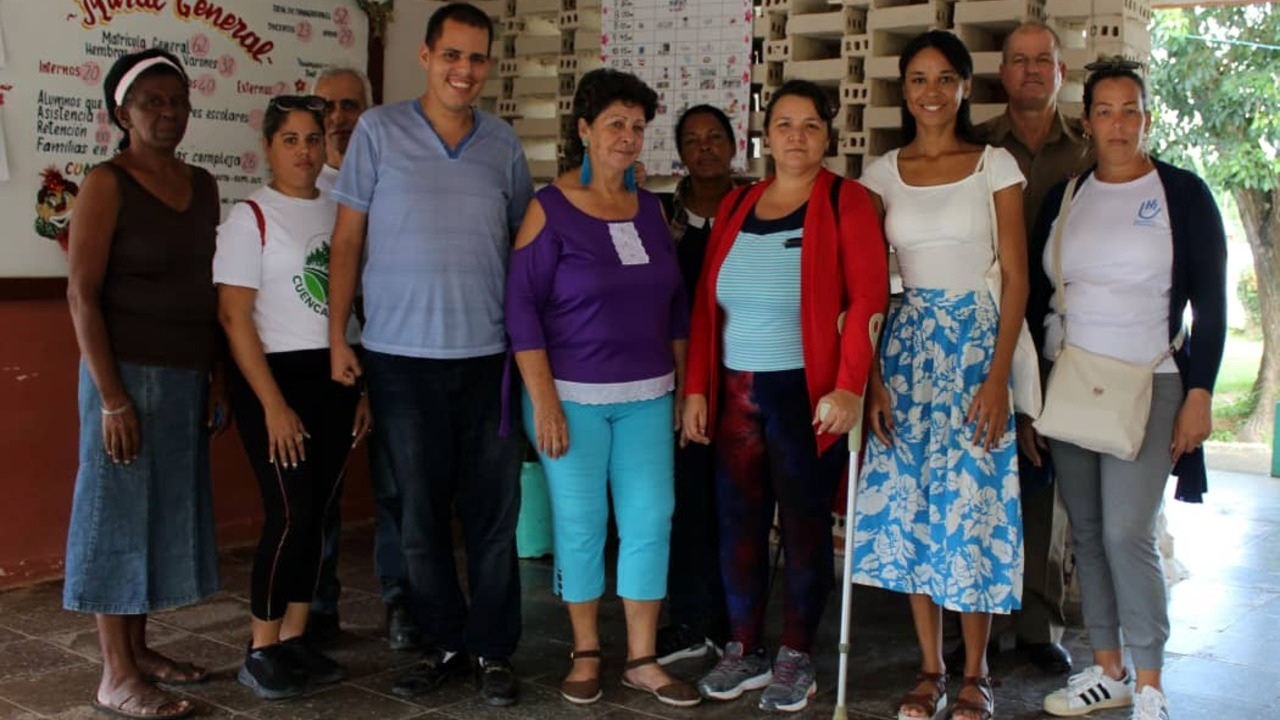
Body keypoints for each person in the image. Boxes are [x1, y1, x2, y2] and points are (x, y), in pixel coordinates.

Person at [326, 2, 532, 707]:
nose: (464, 71)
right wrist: (337, 337)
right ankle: (441, 642)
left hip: (489, 360)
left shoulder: (503, 144)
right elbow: (347, 240)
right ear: (426, 55)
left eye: (476, 58)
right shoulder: (379, 132)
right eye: (452, 55)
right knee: (418, 516)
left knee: (493, 518)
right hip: (399, 361)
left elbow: (523, 249)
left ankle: (493, 650)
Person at [683, 79, 888, 713]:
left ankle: (797, 656)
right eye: (784, 125)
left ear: (828, 136)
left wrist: (849, 387)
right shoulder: (738, 205)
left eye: (810, 125)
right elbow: (705, 304)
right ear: (765, 137)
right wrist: (696, 389)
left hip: (806, 393)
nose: (796, 137)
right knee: (737, 524)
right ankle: (744, 647)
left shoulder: (846, 201)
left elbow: (869, 299)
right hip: (737, 392)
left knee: (803, 528)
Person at [1034, 62, 1226, 720]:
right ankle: (1108, 670)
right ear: (1086, 121)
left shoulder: (1182, 194)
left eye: (1131, 110)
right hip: (1073, 385)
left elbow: (1211, 304)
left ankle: (1150, 684)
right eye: (1105, 111)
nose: (1118, 124)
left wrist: (1200, 392)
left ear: (1147, 118)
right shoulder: (1066, 197)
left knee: (1126, 532)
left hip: (1152, 383)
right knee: (1087, 534)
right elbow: (1040, 297)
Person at [505, 68, 701, 709]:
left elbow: (676, 303)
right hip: (570, 399)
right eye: (615, 123)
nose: (628, 136)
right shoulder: (550, 207)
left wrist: (683, 386)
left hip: (648, 395)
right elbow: (521, 308)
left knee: (650, 518)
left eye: (638, 126)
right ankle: (586, 649)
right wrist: (543, 402)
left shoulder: (651, 209)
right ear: (584, 130)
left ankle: (642, 658)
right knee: (582, 522)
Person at [851, 30, 1027, 720]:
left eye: (945, 78)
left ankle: (976, 673)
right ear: (904, 90)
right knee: (915, 510)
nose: (931, 91)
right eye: (919, 79)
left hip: (976, 350)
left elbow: (1016, 278)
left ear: (965, 87)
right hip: (907, 353)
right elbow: (869, 283)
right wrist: (872, 380)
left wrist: (999, 376)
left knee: (971, 507)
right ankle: (930, 668)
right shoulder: (881, 174)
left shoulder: (994, 165)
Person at [63, 47, 224, 720]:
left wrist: (215, 376)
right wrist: (112, 398)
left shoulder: (203, 185)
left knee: (156, 517)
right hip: (124, 378)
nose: (167, 113)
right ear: (121, 113)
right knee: (116, 517)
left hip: (185, 377)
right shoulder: (108, 183)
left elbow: (211, 288)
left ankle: (142, 651)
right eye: (151, 102)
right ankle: (116, 674)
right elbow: (81, 294)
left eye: (177, 101)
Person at [214, 95, 371, 700]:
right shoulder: (250, 217)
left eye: (312, 138)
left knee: (318, 516)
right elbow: (234, 319)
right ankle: (261, 648)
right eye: (290, 140)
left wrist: (360, 388)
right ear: (268, 147)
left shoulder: (338, 210)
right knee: (290, 515)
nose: (304, 151)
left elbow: (350, 306)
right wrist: (273, 405)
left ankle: (296, 639)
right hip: (274, 380)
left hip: (332, 376)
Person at [973, 21, 1093, 675]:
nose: (1031, 70)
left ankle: (1038, 624)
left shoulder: (1088, 149)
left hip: (1065, 332)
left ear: (1060, 71)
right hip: (989, 325)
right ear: (1002, 73)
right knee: (986, 470)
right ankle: (979, 621)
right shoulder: (977, 146)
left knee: (1047, 474)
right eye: (1018, 60)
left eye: (1042, 59)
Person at [308, 64, 421, 653]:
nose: (337, 118)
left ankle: (400, 599)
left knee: (395, 487)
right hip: (316, 359)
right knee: (318, 492)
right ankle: (316, 610)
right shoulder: (302, 189)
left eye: (350, 105)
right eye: (325, 107)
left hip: (386, 353)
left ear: (370, 112)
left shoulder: (392, 182)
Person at [653, 103, 747, 665]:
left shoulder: (755, 206)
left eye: (715, 137)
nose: (705, 147)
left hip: (746, 371)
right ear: (680, 153)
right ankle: (689, 618)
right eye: (692, 139)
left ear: (734, 145)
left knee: (738, 498)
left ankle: (738, 622)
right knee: (685, 498)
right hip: (680, 377)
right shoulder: (660, 215)